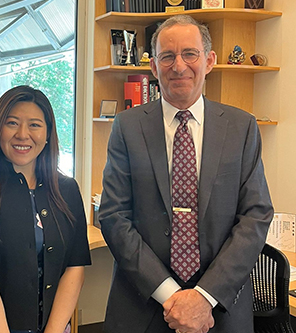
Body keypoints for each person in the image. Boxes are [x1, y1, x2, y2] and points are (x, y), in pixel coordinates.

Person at [99, 15, 273, 333]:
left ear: (209, 61)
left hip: (221, 308)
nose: (179, 66)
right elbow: (113, 216)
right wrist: (170, 295)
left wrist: (203, 298)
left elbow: (256, 215)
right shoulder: (127, 127)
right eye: (167, 56)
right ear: (154, 67)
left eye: (189, 54)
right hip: (143, 306)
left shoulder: (242, 127)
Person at [0, 85, 91, 333]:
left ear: (47, 134)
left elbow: (74, 268)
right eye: (12, 123)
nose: (23, 134)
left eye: (35, 125)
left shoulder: (67, 189)